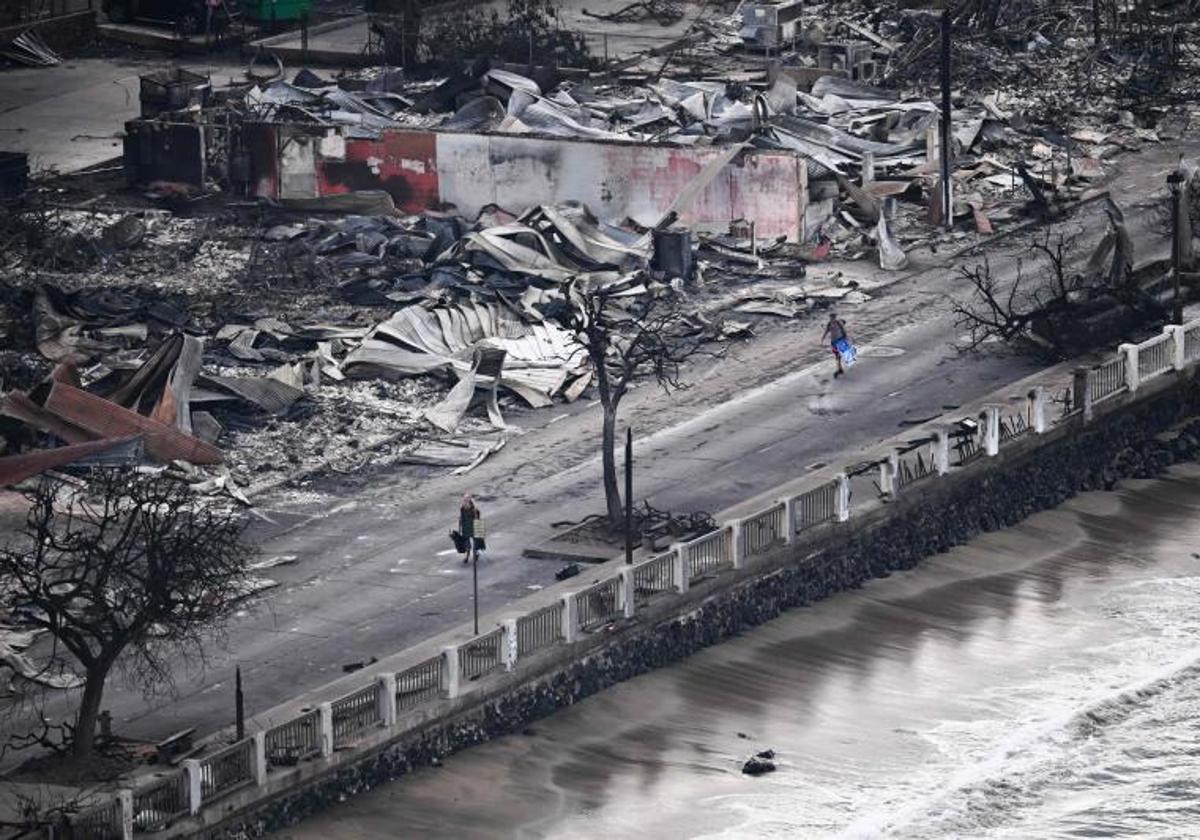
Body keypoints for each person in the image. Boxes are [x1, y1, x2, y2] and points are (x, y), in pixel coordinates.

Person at [456, 495, 485, 564]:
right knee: (467, 543)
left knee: (476, 542)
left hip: (473, 527)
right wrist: (460, 528)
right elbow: (461, 518)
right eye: (464, 501)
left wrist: (479, 529)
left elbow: (478, 519)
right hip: (466, 527)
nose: (465, 502)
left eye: (467, 501)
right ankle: (467, 556)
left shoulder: (474, 510)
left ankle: (476, 553)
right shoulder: (462, 509)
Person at [821, 311, 850, 378]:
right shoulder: (829, 324)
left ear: (835, 317)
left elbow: (844, 330)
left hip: (840, 340)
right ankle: (839, 368)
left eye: (833, 317)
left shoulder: (838, 323)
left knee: (840, 354)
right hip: (833, 342)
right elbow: (826, 331)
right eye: (831, 317)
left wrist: (845, 338)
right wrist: (822, 339)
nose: (832, 318)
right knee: (837, 355)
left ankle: (839, 368)